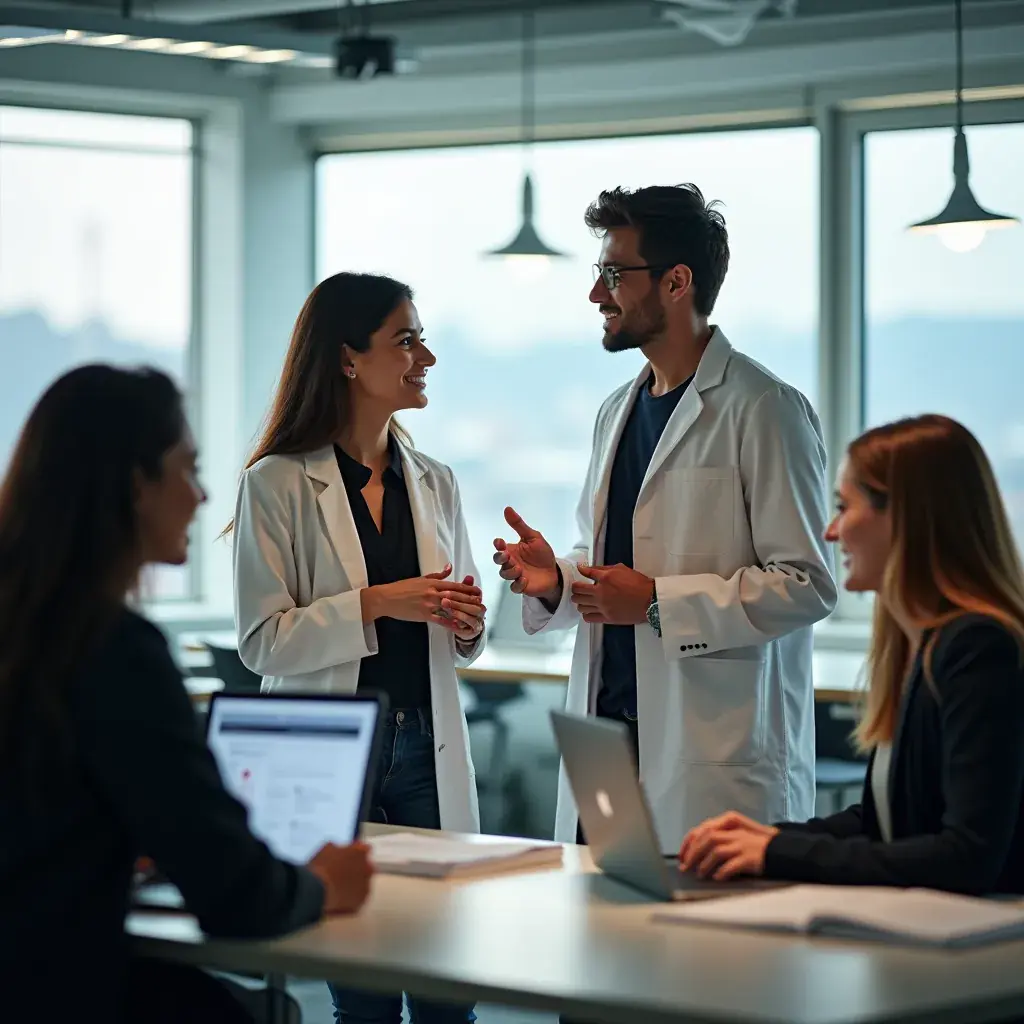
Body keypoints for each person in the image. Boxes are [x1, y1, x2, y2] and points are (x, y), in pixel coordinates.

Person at [0, 365, 373, 1024]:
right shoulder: (114, 650)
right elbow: (236, 893)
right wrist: (320, 887)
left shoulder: (29, 629)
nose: (202, 496)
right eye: (187, 468)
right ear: (134, 485)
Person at [494, 183, 837, 852]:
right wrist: (558, 581)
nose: (597, 294)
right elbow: (616, 568)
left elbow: (807, 583)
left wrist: (655, 602)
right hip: (609, 740)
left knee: (709, 956)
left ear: (677, 282)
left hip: (709, 756)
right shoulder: (614, 412)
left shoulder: (764, 408)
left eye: (614, 274)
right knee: (598, 944)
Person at [231, 272, 484, 1024]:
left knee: (447, 996)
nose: (426, 357)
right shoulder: (275, 484)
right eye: (405, 340)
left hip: (426, 753)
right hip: (334, 757)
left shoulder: (435, 482)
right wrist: (379, 603)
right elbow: (261, 642)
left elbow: (465, 637)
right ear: (348, 359)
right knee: (364, 999)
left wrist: (466, 623)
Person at [678, 414, 1024, 895]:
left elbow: (965, 856)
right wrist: (767, 837)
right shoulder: (919, 645)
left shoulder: (978, 649)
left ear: (904, 516)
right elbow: (885, 820)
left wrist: (780, 853)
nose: (831, 532)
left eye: (844, 507)